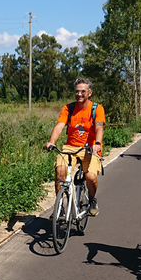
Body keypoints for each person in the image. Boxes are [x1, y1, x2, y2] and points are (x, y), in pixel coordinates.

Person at [44, 77, 106, 216]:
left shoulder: (97, 108)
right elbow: (60, 126)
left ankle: (92, 199)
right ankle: (60, 207)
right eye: (77, 92)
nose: (79, 94)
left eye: (82, 91)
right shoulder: (69, 108)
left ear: (89, 93)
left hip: (90, 148)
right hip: (70, 147)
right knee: (60, 171)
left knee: (90, 177)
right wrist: (52, 141)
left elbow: (99, 127)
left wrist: (97, 144)